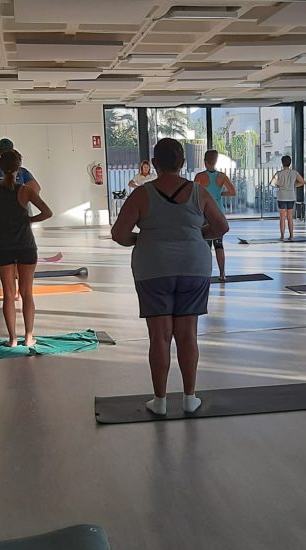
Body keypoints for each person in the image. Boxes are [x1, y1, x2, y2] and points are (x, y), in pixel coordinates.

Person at [111, 138, 229, 415]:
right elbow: (221, 226)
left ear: (154, 164)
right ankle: (189, 398)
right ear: (182, 163)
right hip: (193, 267)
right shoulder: (198, 192)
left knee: (159, 337)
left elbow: (119, 234)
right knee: (188, 336)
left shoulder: (142, 194)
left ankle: (160, 401)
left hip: (153, 268)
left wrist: (141, 240)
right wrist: (196, 235)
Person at [0, 149, 52, 347]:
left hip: (3, 246)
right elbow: (47, 213)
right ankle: (29, 337)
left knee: (8, 294)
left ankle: (12, 339)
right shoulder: (25, 190)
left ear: (0, 167)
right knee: (27, 293)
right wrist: (28, 220)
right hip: (26, 246)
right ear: (19, 168)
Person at [194, 150, 236, 281]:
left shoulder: (200, 176)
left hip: (205, 213)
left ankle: (205, 273)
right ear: (216, 161)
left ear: (205, 162)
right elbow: (233, 191)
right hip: (218, 212)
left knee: (205, 245)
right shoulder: (222, 176)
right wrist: (220, 194)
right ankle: (222, 274)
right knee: (219, 244)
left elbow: (194, 194)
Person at [270, 155, 305, 241]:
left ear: (282, 163)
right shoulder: (294, 173)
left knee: (282, 217)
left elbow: (272, 183)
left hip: (282, 196)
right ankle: (291, 235)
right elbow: (303, 182)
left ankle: (282, 236)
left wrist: (279, 185)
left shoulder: (279, 173)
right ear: (290, 163)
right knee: (290, 217)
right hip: (291, 196)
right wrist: (294, 185)